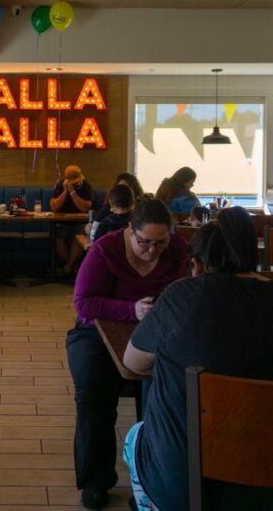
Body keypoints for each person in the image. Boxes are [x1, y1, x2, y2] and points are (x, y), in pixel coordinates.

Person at [121, 207, 273, 511]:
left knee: (136, 435)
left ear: (196, 266)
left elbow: (132, 362)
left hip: (194, 493)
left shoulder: (182, 296)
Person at [66, 198, 189, 510]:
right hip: (96, 333)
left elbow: (187, 291)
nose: (152, 250)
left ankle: (151, 481)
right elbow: (83, 304)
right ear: (129, 231)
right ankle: (96, 479)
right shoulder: (105, 249)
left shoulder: (177, 249)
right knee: (93, 392)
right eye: (144, 242)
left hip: (159, 334)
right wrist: (131, 309)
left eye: (160, 243)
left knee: (165, 396)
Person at [51, 165, 94, 274]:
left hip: (81, 224)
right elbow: (54, 207)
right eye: (74, 182)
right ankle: (72, 265)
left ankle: (68, 267)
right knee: (56, 239)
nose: (78, 183)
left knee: (78, 239)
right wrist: (66, 191)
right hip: (63, 224)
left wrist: (73, 193)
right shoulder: (60, 185)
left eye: (79, 180)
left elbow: (85, 207)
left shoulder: (87, 187)